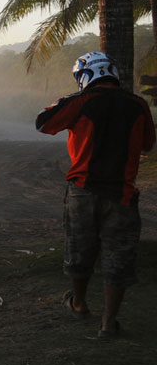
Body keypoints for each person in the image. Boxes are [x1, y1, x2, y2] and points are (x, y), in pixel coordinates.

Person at [36, 51, 155, 338]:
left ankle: (78, 303)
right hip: (123, 195)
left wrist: (64, 101)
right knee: (118, 257)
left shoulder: (80, 102)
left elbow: (43, 123)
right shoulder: (138, 105)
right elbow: (148, 145)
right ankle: (108, 323)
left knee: (80, 249)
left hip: (83, 192)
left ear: (85, 76)